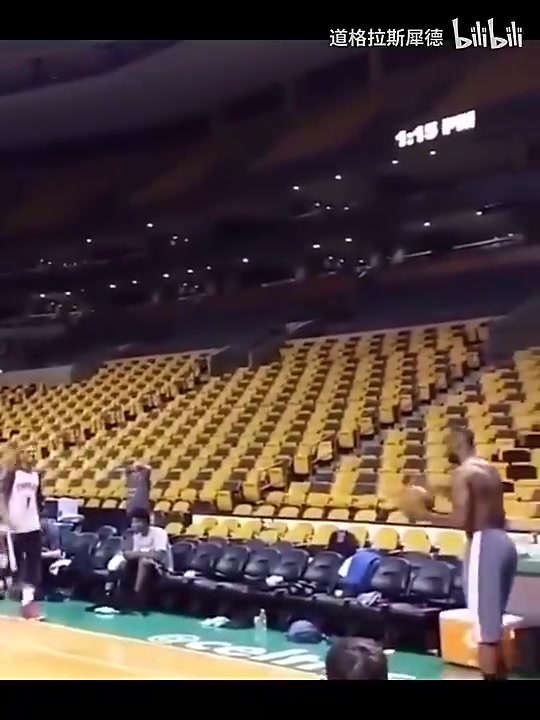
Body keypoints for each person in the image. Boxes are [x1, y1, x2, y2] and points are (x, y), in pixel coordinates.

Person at [404, 428, 518, 680]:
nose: (446, 450)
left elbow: (460, 520)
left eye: (448, 444)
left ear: (457, 444)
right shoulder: (489, 470)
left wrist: (424, 516)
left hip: (483, 544)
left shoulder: (462, 473)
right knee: (494, 624)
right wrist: (439, 490)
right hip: (504, 542)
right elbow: (485, 505)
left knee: (485, 631)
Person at [0, 446, 45, 620]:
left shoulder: (36, 475)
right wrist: (5, 517)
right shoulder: (12, 474)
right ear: (21, 454)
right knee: (16, 565)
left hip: (32, 523)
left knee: (34, 563)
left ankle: (28, 603)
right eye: (28, 451)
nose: (32, 454)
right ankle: (19, 597)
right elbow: (2, 495)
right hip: (15, 524)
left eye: (34, 452)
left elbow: (37, 498)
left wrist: (38, 516)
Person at [111, 507, 171, 612]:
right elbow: (129, 555)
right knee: (125, 563)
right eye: (133, 522)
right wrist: (139, 554)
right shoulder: (137, 536)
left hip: (162, 568)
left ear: (145, 522)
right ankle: (121, 597)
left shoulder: (159, 533)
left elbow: (159, 556)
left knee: (144, 562)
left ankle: (137, 596)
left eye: (136, 522)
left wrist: (138, 554)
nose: (133, 525)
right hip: (140, 566)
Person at [123, 460, 152, 529]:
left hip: (141, 509)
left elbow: (148, 469)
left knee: (142, 527)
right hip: (131, 509)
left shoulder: (143, 481)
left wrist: (138, 466)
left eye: (135, 472)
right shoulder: (130, 483)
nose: (133, 474)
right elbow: (127, 472)